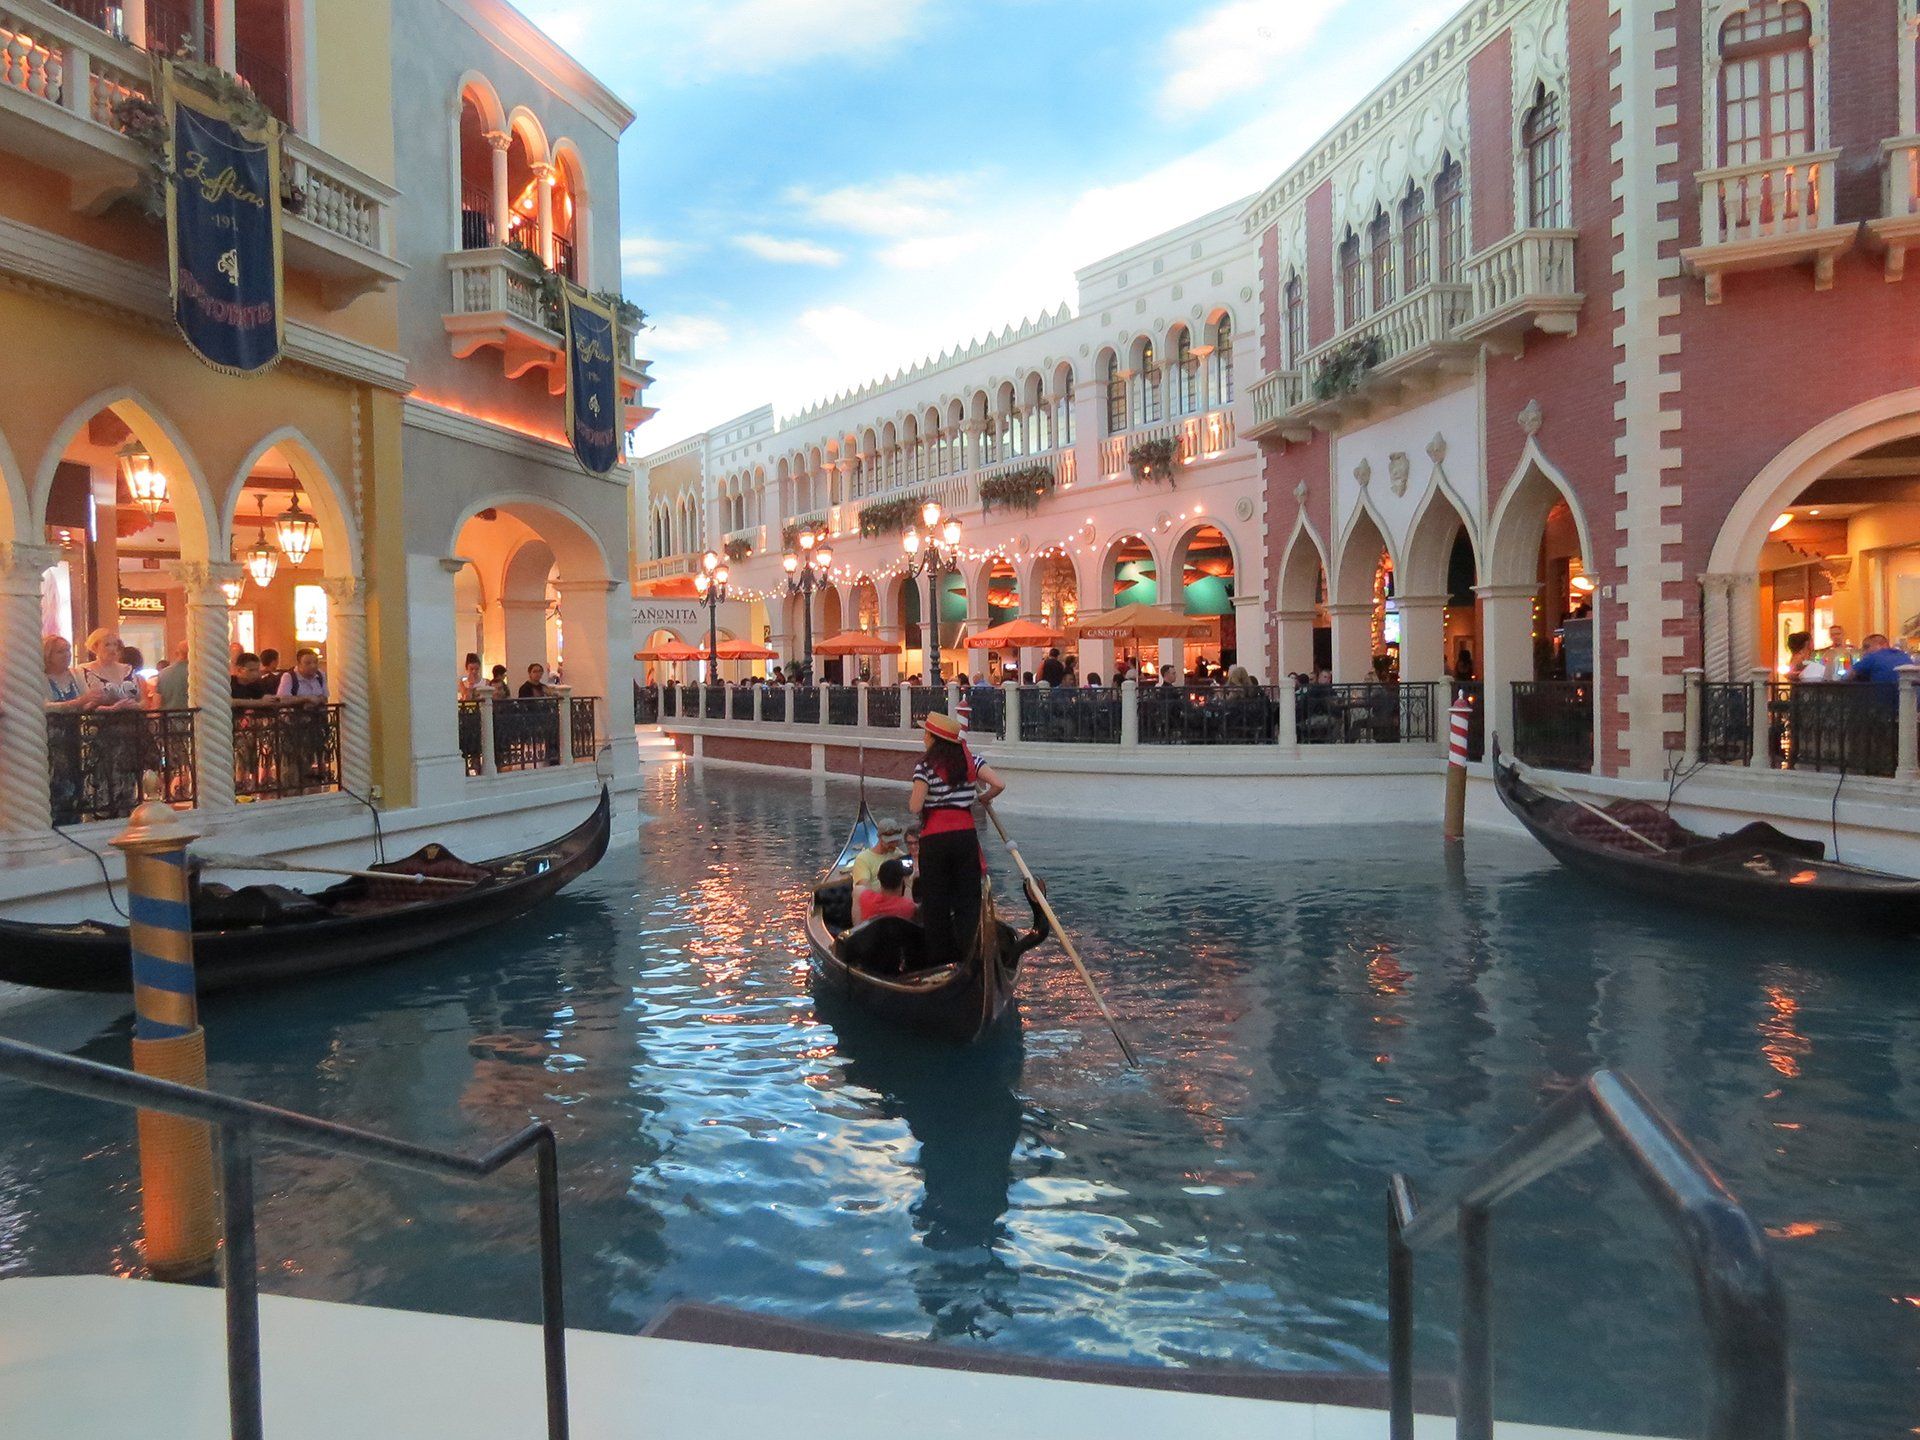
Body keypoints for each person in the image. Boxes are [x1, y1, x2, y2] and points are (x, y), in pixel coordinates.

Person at [908, 710, 1005, 964]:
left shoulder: (925, 766)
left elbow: (916, 806)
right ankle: (969, 959)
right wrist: (981, 798)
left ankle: (940, 963)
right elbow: (999, 784)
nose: (923, 737)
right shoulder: (971, 761)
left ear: (933, 738)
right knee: (967, 900)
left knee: (936, 901)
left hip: (935, 839)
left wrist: (922, 796)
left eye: (925, 733)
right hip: (965, 837)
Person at [79, 629, 142, 707]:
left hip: (132, 716)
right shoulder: (85, 670)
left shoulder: (128, 669)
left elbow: (142, 700)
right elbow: (84, 705)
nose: (112, 648)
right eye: (107, 645)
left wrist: (137, 705)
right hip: (102, 718)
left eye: (115, 644)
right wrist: (113, 708)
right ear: (95, 647)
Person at [44, 634, 104, 712]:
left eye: (68, 650)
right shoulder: (41, 678)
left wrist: (94, 701)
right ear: (48, 655)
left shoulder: (77, 673)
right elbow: (44, 707)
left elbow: (85, 703)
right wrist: (77, 702)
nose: (67, 655)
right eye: (60, 652)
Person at [856, 858, 919, 926]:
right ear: (902, 881)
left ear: (879, 878)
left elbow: (858, 889)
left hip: (870, 935)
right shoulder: (908, 907)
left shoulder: (866, 899)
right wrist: (909, 885)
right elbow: (912, 906)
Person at [850, 818, 905, 893]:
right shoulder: (863, 859)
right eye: (890, 842)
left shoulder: (897, 853)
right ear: (879, 838)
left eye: (896, 841)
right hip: (875, 902)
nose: (894, 845)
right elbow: (865, 892)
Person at [1848, 633, 1915, 686]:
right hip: (1910, 699)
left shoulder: (1873, 657)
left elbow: (1849, 675)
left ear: (1881, 644)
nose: (1864, 651)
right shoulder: (1904, 655)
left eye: (1866, 647)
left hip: (1884, 699)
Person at [154, 640, 191, 710]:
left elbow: (157, 703)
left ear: (176, 653)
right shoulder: (196, 674)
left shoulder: (163, 673)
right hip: (191, 718)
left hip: (168, 718)